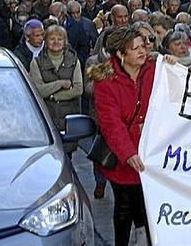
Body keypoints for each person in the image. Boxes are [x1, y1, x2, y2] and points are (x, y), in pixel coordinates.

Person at [87, 26, 156, 246]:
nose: (142, 51)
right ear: (120, 54)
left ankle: (144, 237)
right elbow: (111, 124)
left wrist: (173, 66)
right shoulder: (106, 81)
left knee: (145, 204)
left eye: (143, 45)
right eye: (135, 48)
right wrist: (128, 153)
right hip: (121, 156)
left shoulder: (154, 70)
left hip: (150, 149)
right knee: (125, 204)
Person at [29, 25, 83, 154]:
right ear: (45, 42)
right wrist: (60, 84)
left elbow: (78, 89)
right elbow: (38, 91)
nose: (56, 42)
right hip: (46, 116)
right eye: (52, 39)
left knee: (67, 156)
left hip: (69, 118)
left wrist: (54, 96)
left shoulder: (74, 61)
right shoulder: (36, 63)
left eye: (60, 39)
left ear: (65, 42)